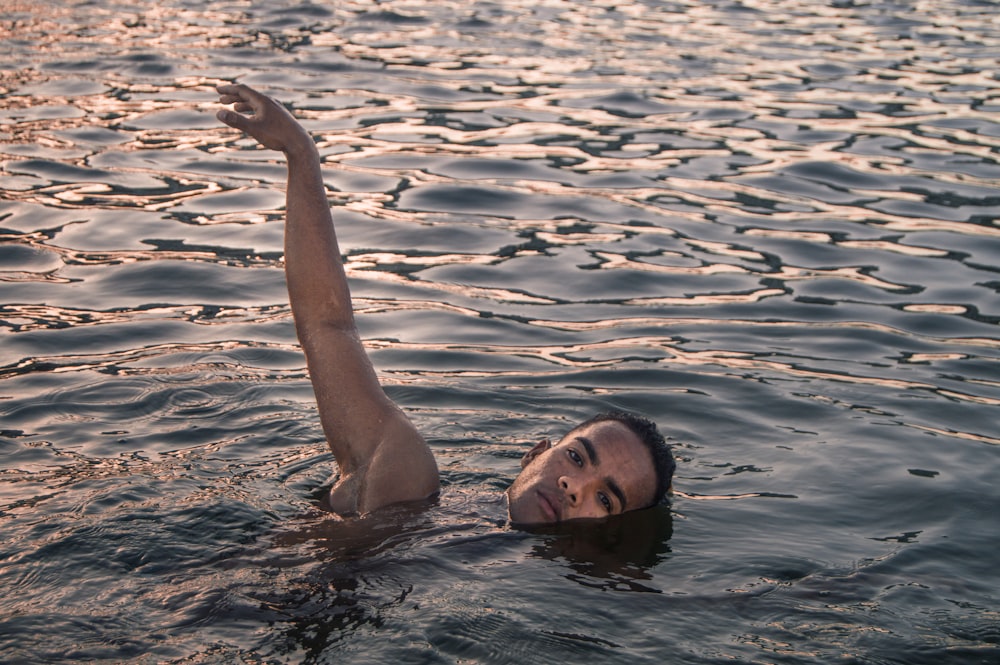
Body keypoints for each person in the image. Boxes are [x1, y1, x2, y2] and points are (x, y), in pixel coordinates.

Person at [216, 84, 676, 525]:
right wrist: (302, 156)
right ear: (537, 452)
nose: (573, 487)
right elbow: (328, 326)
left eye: (605, 498)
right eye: (577, 457)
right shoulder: (406, 478)